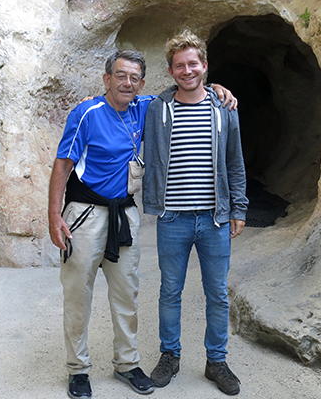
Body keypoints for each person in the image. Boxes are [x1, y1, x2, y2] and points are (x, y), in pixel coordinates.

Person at [141, 30, 248, 396]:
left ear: (204, 65)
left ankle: (216, 360)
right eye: (179, 65)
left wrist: (239, 207)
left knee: (217, 293)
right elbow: (123, 105)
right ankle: (169, 355)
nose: (187, 71)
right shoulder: (158, 109)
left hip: (214, 218)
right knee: (170, 290)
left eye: (193, 64)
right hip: (172, 217)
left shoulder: (224, 109)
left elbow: (235, 162)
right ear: (171, 71)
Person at [49, 50, 156, 399]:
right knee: (78, 293)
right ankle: (77, 369)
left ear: (141, 82)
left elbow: (181, 92)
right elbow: (63, 165)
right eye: (121, 75)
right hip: (84, 214)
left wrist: (217, 88)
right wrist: (53, 216)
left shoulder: (143, 107)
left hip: (124, 213)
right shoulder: (87, 112)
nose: (128, 82)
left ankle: (127, 363)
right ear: (107, 78)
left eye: (134, 77)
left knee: (127, 292)